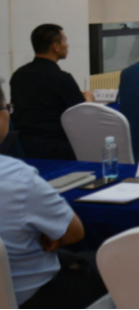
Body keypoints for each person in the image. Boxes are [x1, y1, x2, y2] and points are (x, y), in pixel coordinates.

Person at [0, 89, 107, 309]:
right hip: (31, 297)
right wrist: (49, 233)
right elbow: (74, 232)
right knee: (114, 263)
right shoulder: (18, 177)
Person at [10, 24, 93, 160]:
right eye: (65, 41)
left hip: (22, 148)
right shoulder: (62, 78)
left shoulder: (18, 75)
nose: (67, 45)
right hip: (56, 149)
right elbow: (82, 115)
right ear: (56, 46)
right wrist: (89, 98)